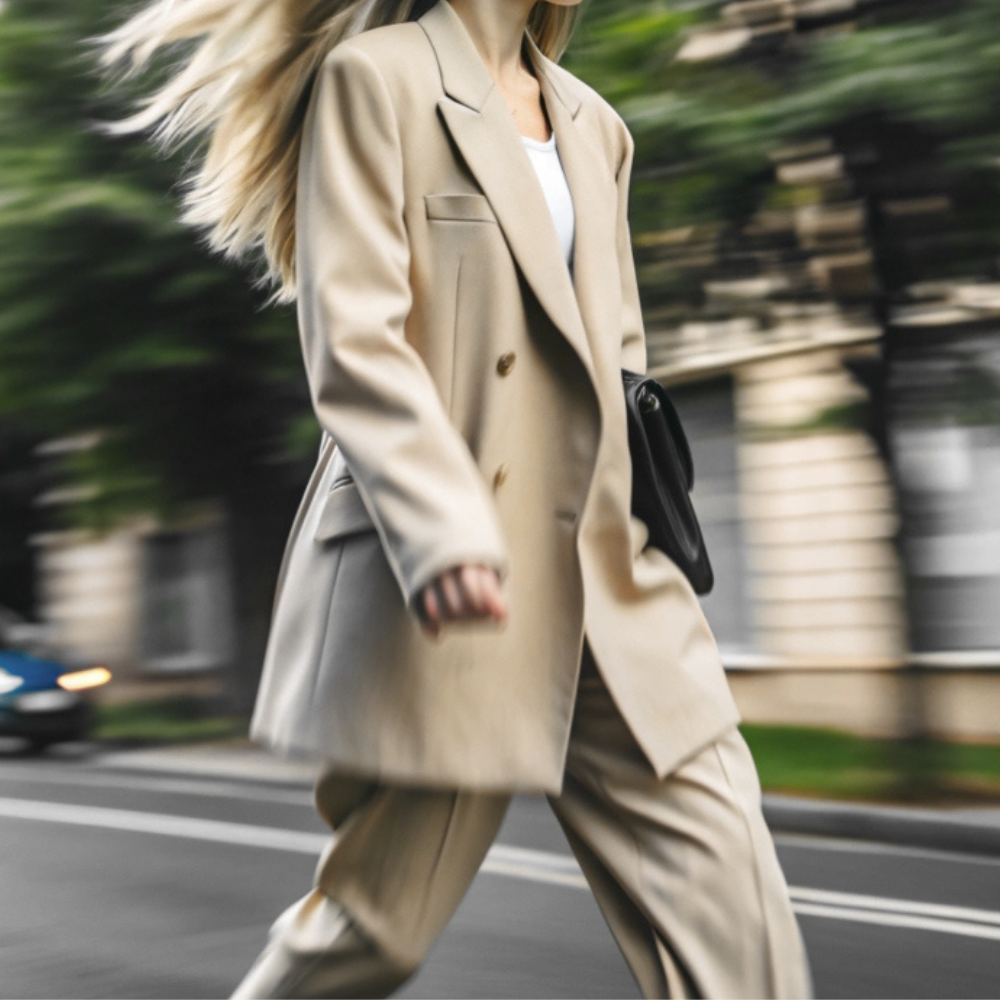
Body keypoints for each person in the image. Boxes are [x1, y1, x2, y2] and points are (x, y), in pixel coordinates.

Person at [99, 0, 813, 996]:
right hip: (455, 586)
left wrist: (649, 532)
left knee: (741, 932)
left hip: (615, 584)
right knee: (373, 931)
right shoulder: (376, 81)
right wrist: (442, 530)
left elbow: (617, 366)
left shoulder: (595, 125)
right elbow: (357, 341)